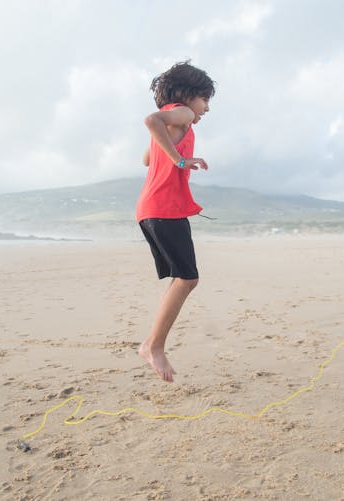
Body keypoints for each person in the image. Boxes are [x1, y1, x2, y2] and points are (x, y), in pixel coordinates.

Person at [135, 61, 216, 382]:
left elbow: (145, 158)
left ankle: (152, 343)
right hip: (164, 208)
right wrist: (180, 159)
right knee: (187, 279)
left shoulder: (174, 123)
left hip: (149, 209)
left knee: (182, 278)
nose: (207, 108)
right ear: (187, 95)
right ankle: (153, 345)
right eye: (205, 100)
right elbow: (150, 119)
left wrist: (169, 147)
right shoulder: (181, 113)